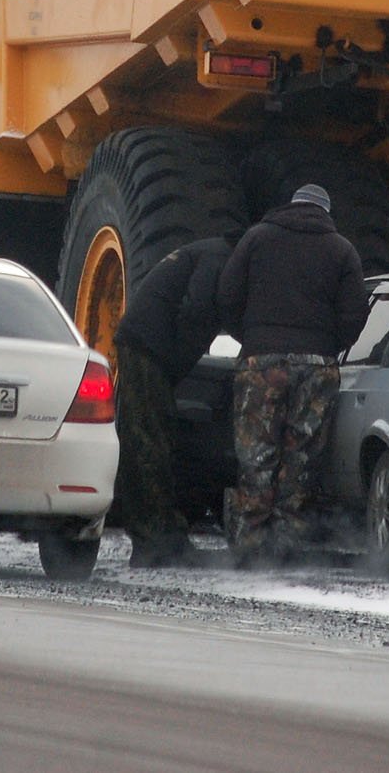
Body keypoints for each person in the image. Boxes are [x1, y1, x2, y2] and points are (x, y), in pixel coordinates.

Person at [216, 182, 365, 565]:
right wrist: (328, 349)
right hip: (317, 366)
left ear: (291, 204)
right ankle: (286, 548)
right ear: (326, 212)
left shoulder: (256, 238)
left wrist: (251, 338)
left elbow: (228, 295)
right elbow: (354, 315)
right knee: (302, 458)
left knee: (255, 454)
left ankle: (249, 547)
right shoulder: (342, 250)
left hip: (261, 360)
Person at [113, 234, 233, 568]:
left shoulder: (204, 251)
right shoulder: (219, 257)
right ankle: (156, 541)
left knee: (150, 438)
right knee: (149, 444)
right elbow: (196, 309)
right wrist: (177, 360)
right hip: (147, 350)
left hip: (141, 345)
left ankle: (156, 537)